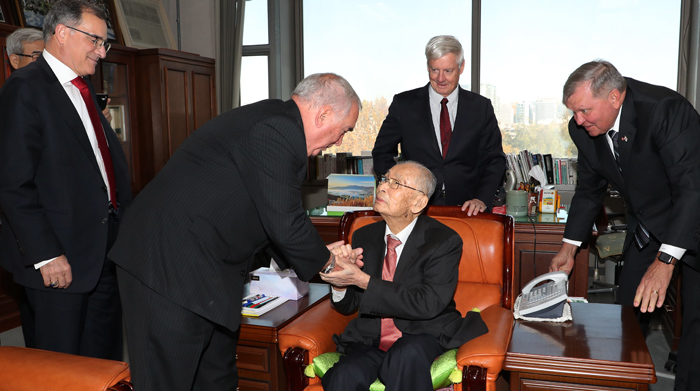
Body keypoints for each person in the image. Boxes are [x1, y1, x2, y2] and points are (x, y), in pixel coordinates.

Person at [107, 72, 361, 391]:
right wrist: (330, 266)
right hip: (168, 265)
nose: (338, 142)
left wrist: (324, 259)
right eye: (344, 131)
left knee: (216, 378)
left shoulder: (276, 123)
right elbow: (285, 223)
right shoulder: (278, 129)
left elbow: (270, 220)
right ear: (323, 114)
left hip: (208, 270)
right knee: (168, 381)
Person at [549, 60, 700, 391]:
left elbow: (692, 189)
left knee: (696, 327)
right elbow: (590, 189)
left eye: (585, 110)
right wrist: (568, 247)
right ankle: (622, 382)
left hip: (694, 219)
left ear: (615, 97)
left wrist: (666, 261)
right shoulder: (584, 128)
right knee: (626, 316)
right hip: (647, 226)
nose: (577, 120)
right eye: (573, 112)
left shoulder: (664, 110)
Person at [0, 0, 131, 360]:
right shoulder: (26, 88)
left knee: (102, 361)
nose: (101, 52)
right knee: (61, 366)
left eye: (105, 43)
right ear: (62, 33)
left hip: (103, 252)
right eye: (95, 40)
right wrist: (46, 255)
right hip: (60, 259)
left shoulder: (83, 90)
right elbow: (12, 183)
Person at [319, 161, 488, 390]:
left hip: (422, 334)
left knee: (404, 358)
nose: (382, 188)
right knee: (344, 375)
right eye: (385, 180)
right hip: (370, 340)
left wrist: (363, 280)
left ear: (418, 202)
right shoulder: (364, 236)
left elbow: (428, 303)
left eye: (396, 184)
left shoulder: (443, 240)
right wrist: (340, 283)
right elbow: (351, 305)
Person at [372, 35, 506, 215]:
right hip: (414, 210)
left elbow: (494, 160)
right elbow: (381, 152)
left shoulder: (481, 108)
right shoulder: (404, 104)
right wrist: (398, 186)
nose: (441, 78)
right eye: (435, 70)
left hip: (467, 210)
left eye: (448, 71)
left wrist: (482, 198)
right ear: (427, 66)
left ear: (462, 67)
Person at [5, 26, 112, 120]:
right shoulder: (14, 96)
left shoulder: (65, 90)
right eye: (38, 57)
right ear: (15, 61)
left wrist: (98, 125)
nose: (47, 63)